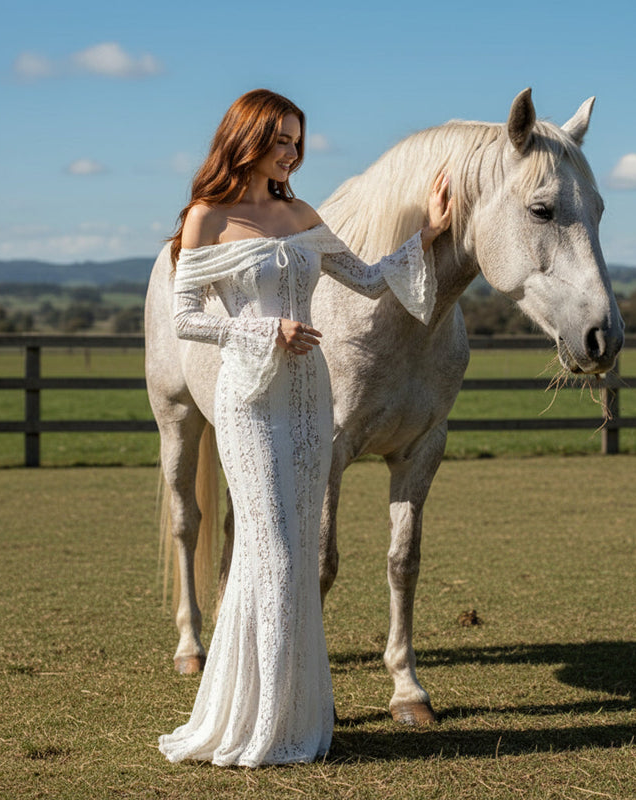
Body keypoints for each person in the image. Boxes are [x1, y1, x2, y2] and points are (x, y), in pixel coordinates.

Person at [157, 89, 451, 767]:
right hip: (249, 398)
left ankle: (297, 716)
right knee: (272, 552)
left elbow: (370, 281)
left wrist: (428, 236)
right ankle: (253, 719)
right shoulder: (208, 217)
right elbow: (186, 319)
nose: (291, 152)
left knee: (294, 549)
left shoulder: (303, 214)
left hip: (310, 399)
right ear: (246, 139)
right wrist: (266, 331)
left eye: (297, 140)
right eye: (280, 139)